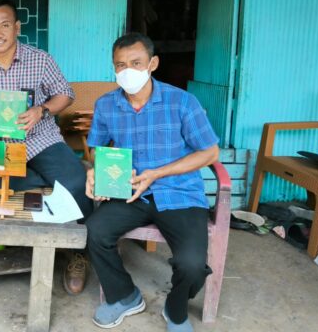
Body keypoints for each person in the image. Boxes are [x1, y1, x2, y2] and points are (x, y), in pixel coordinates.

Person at [85, 32, 219, 332]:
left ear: (152, 63)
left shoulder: (182, 102)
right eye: (120, 65)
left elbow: (210, 152)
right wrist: (96, 169)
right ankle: (124, 296)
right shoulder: (106, 105)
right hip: (130, 191)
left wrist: (157, 173)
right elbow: (95, 148)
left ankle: (176, 309)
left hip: (178, 193)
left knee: (192, 265)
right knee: (95, 231)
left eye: (136, 63)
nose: (127, 71)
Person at [0, 0, 92, 294]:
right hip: (0, 146)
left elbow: (65, 94)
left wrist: (41, 110)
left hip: (40, 140)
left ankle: (78, 253)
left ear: (17, 27)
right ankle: (39, 192)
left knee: (78, 182)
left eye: (5, 25)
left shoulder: (40, 59)